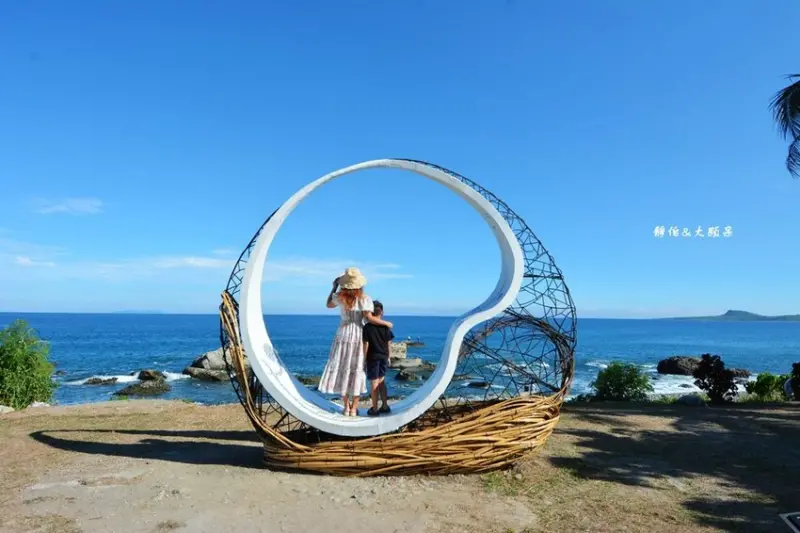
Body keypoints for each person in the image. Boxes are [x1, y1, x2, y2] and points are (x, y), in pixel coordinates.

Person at [318, 267, 393, 416]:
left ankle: (346, 407)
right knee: (357, 369)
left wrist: (334, 287)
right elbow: (369, 318)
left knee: (343, 368)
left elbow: (328, 304)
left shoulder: (340, 297)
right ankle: (354, 409)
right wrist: (386, 323)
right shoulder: (365, 299)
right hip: (358, 333)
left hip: (343, 334)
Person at [362, 300, 394, 416]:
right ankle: (384, 405)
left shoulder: (367, 327)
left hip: (373, 358)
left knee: (374, 383)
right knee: (381, 382)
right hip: (384, 356)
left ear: (370, 312)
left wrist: (364, 359)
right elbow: (389, 343)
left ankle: (374, 409)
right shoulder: (385, 327)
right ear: (382, 312)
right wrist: (389, 357)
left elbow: (366, 344)